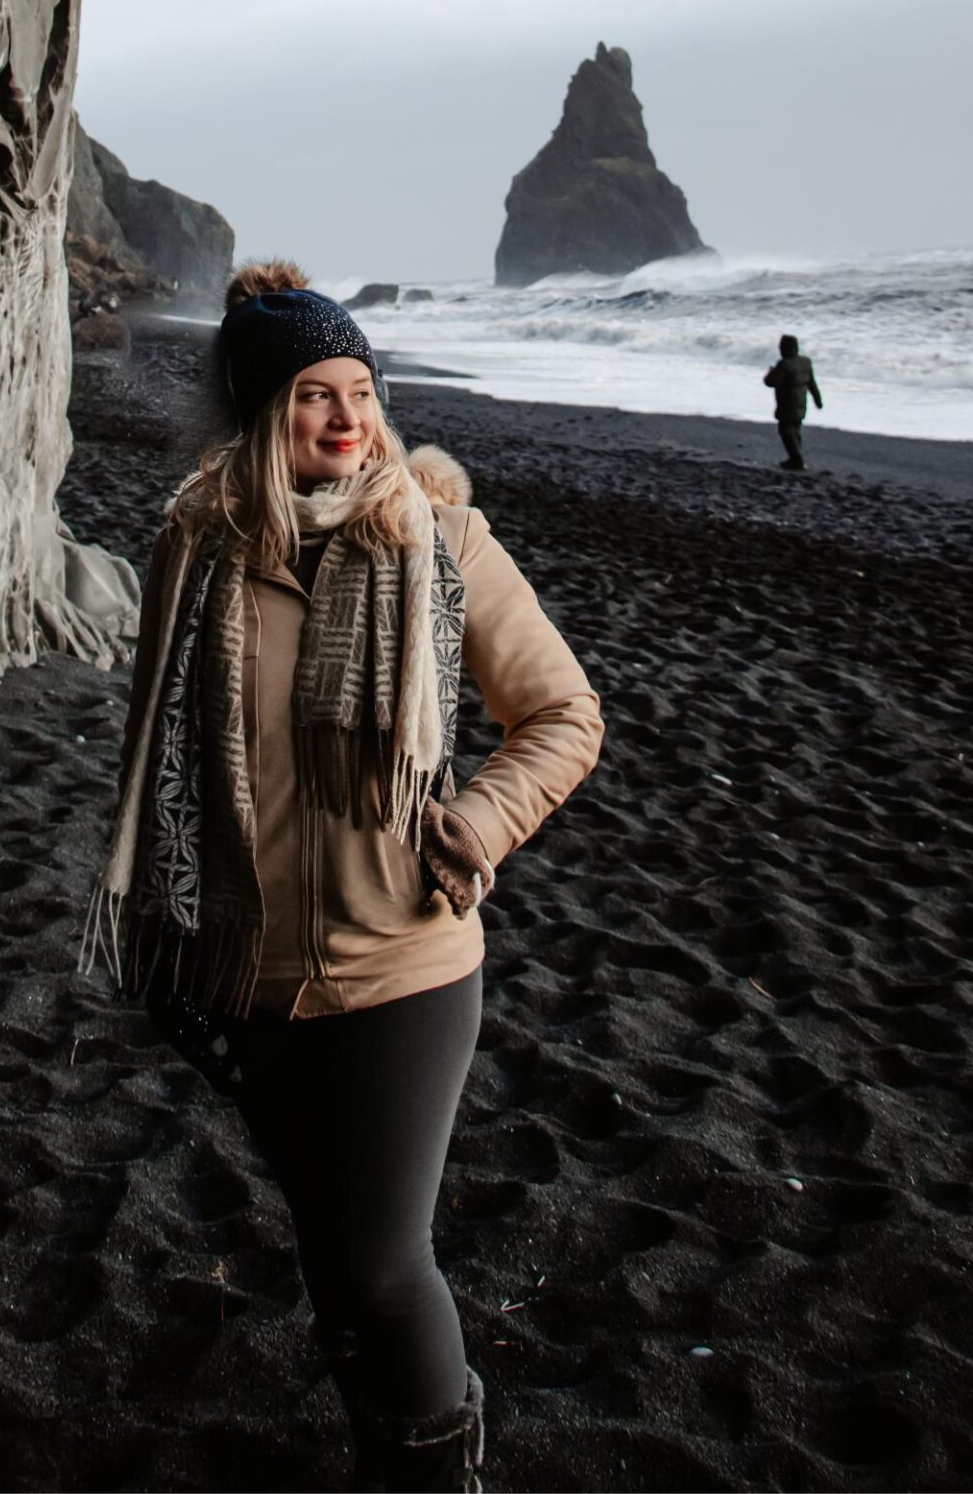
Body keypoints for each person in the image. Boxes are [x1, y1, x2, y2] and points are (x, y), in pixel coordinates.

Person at [88, 261, 602, 1492]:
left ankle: (439, 1469)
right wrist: (170, 928)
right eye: (316, 393)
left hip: (405, 967)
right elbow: (157, 752)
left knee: (382, 1259)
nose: (348, 419)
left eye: (361, 390)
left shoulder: (441, 541)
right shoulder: (197, 548)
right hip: (251, 974)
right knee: (328, 1251)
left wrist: (479, 821)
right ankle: (389, 1448)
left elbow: (564, 714)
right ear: (266, 412)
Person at [762, 332, 823, 469]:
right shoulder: (805, 362)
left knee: (785, 430)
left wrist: (771, 372)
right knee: (795, 430)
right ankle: (794, 458)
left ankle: (796, 459)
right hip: (801, 403)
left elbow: (772, 382)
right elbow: (812, 383)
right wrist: (818, 400)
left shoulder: (784, 364)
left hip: (787, 403)